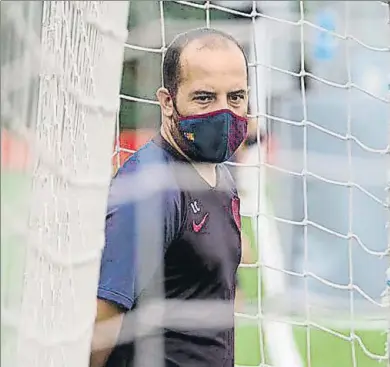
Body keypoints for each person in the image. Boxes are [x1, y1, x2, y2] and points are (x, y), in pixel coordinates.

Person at [90, 27, 249, 367]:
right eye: (205, 97)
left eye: (235, 97)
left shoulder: (219, 173)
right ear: (166, 101)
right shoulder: (151, 186)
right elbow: (101, 323)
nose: (224, 114)